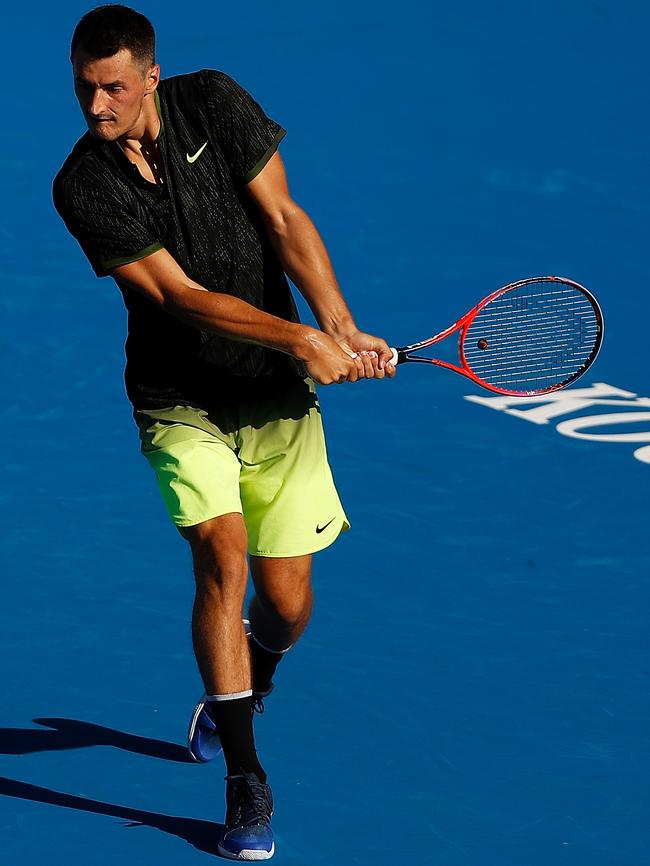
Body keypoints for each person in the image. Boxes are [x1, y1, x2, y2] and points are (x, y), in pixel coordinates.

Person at [53, 4, 395, 860]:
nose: (97, 107)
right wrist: (302, 339)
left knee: (284, 606)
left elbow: (283, 220)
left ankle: (252, 674)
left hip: (273, 396)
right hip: (179, 399)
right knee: (220, 555)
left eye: (114, 89)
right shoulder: (82, 185)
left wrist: (340, 324)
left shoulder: (217, 103)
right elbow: (177, 297)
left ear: (152, 76)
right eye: (85, 89)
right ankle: (246, 776)